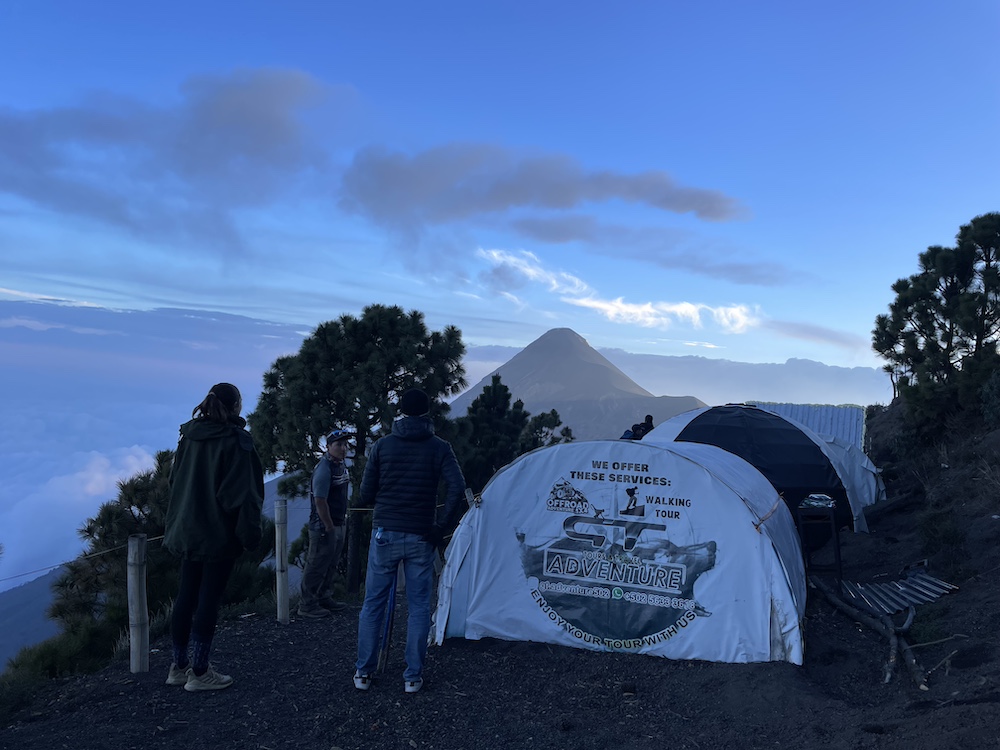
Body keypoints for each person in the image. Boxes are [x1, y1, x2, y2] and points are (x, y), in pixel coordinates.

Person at [353, 388, 466, 694]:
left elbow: (365, 494)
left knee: (372, 604)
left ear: (400, 410)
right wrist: (440, 526)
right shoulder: (439, 447)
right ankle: (412, 677)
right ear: (427, 411)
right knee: (418, 607)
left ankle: (364, 672)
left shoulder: (382, 446)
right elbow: (457, 486)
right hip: (421, 534)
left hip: (385, 533)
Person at [163, 383, 264, 692]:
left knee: (186, 595)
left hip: (186, 528)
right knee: (208, 598)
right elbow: (242, 497)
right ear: (236, 407)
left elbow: (173, 479)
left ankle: (178, 668)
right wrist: (250, 537)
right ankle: (201, 672)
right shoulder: (236, 442)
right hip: (217, 532)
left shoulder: (189, 435)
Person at [297, 428, 353, 619]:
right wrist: (328, 525)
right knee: (316, 564)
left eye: (345, 444)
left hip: (338, 523)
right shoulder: (324, 468)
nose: (343, 448)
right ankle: (307, 604)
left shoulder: (340, 465)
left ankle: (324, 596)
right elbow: (320, 500)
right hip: (324, 526)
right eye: (339, 445)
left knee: (331, 563)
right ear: (328, 447)